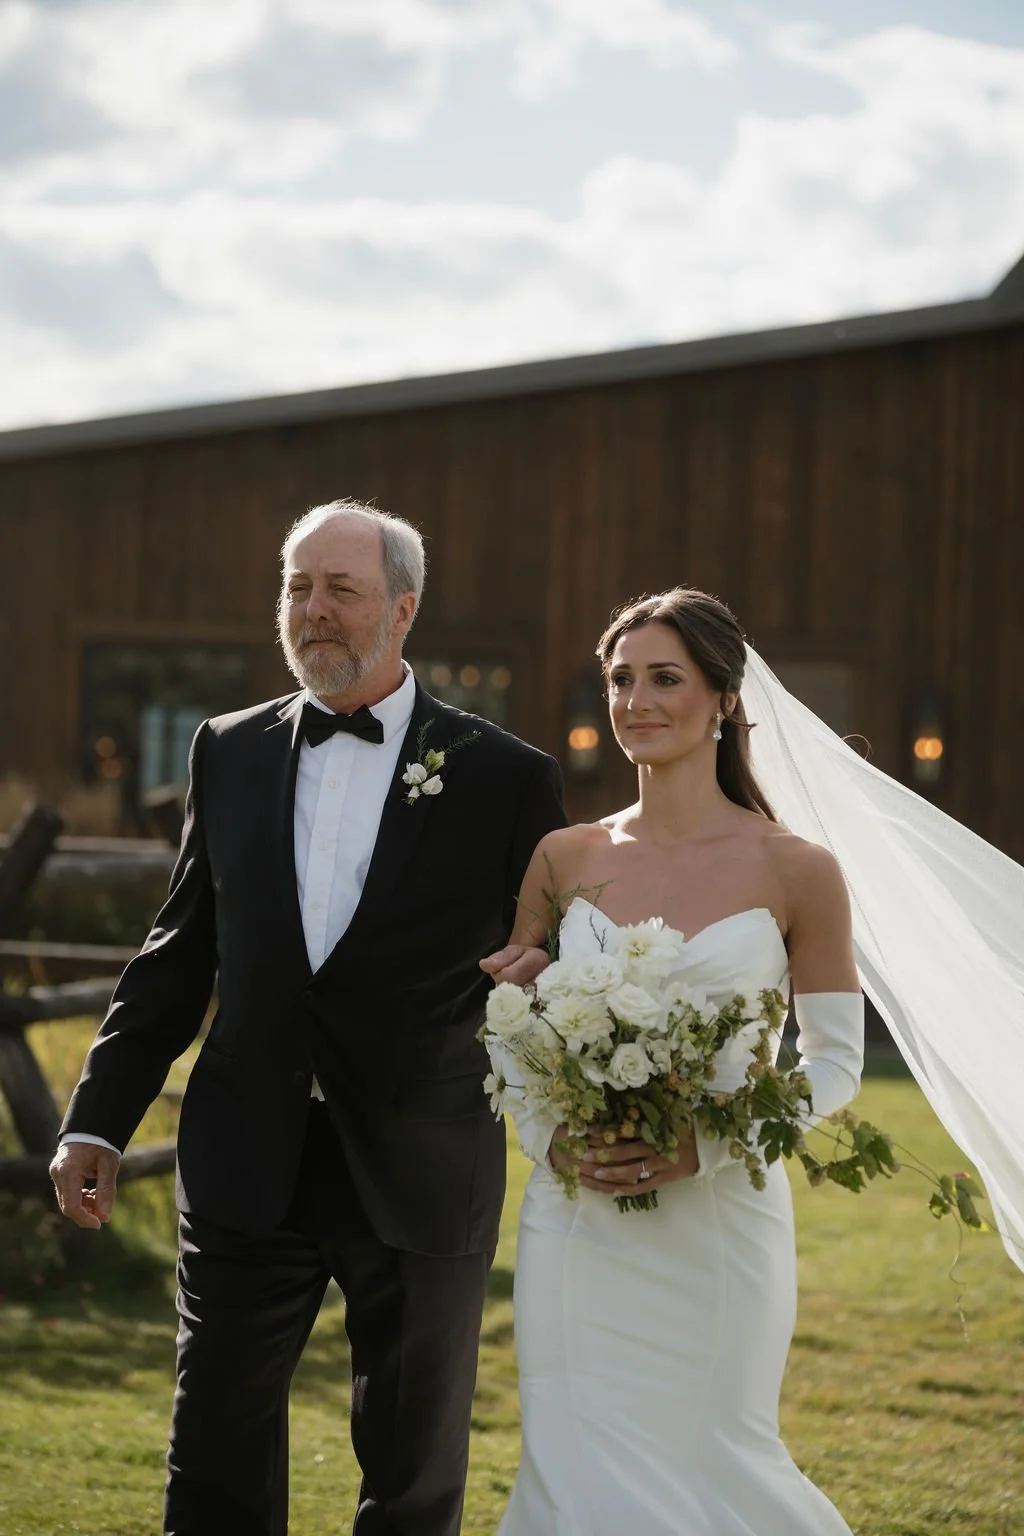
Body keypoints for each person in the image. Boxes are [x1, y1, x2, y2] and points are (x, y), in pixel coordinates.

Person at [49, 500, 564, 1536]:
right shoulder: (225, 750)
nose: (313, 611)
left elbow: (557, 965)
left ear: (403, 609)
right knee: (215, 1459)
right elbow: (179, 951)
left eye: (342, 590)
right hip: (248, 1152)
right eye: (296, 587)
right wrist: (97, 1116)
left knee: (413, 1475)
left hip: (420, 1163)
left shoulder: (506, 777)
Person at [482, 587, 865, 1535]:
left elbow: (839, 1062)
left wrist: (714, 1141)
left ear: (725, 700)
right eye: (620, 680)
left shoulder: (797, 868)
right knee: (571, 1466)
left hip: (721, 1219)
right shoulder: (564, 857)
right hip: (578, 1221)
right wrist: (552, 1139)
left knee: (717, 1459)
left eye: (665, 678)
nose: (636, 701)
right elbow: (515, 1025)